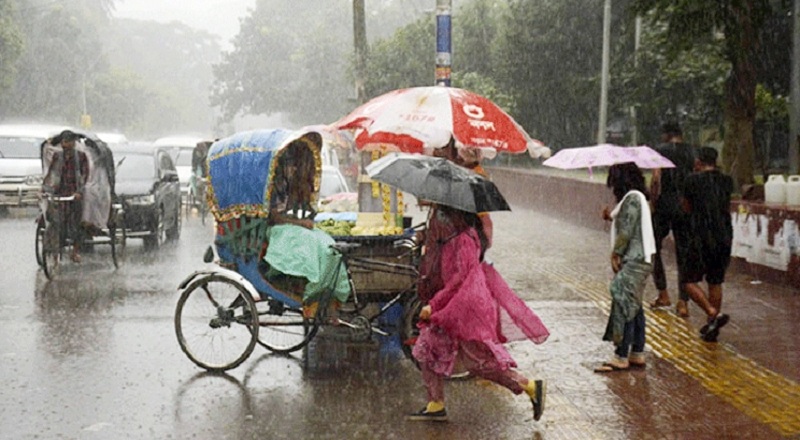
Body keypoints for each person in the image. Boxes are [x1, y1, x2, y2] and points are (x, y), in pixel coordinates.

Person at [409, 204, 549, 422]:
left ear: (452, 216)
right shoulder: (448, 238)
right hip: (450, 306)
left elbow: (459, 280)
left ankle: (529, 386)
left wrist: (434, 305)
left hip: (467, 309)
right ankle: (435, 403)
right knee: (427, 351)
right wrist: (426, 240)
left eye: (439, 216)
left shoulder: (464, 239)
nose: (435, 221)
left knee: (478, 363)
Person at [595, 163, 655, 372]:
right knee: (634, 304)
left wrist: (616, 253)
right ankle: (637, 352)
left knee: (622, 301)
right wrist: (610, 216)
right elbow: (626, 221)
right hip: (640, 259)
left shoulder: (633, 198)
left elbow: (627, 229)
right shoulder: (635, 198)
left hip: (635, 259)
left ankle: (621, 355)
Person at [680, 147, 733, 342]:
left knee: (688, 280)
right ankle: (712, 326)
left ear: (699, 162)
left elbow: (686, 207)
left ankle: (712, 312)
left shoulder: (691, 180)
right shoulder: (727, 180)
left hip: (701, 236)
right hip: (723, 235)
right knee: (715, 281)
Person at [649, 122, 696, 317]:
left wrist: (653, 201)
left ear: (666, 135)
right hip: (685, 206)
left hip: (664, 205)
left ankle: (663, 293)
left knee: (653, 248)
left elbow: (656, 179)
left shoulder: (660, 151)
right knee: (683, 254)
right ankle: (683, 302)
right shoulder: (692, 151)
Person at [43, 130, 90, 263]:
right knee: (56, 221)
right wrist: (44, 188)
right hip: (59, 192)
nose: (65, 145)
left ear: (73, 143)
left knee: (76, 223)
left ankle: (75, 251)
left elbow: (84, 175)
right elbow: (51, 173)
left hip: (75, 194)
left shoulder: (81, 157)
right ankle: (55, 248)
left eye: (68, 142)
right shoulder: (57, 156)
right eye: (64, 142)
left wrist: (79, 192)